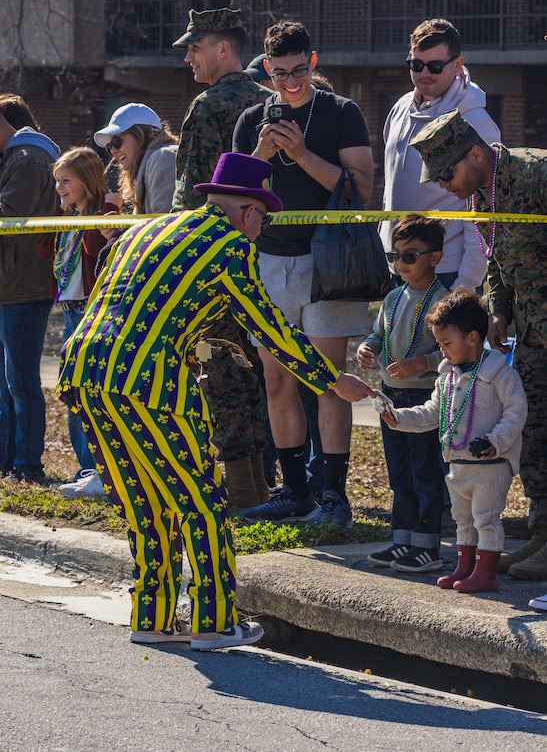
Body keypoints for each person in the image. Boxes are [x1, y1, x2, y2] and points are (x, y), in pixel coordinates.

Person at [55, 151, 375, 648]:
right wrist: (331, 378)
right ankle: (213, 621)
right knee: (200, 501)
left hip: (84, 370)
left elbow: (158, 301)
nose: (260, 230)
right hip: (149, 381)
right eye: (261, 220)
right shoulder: (228, 248)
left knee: (147, 500)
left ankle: (153, 618)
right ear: (249, 213)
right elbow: (268, 324)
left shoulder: (152, 228)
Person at [233, 20, 374, 527]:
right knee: (276, 381)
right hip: (269, 259)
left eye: (298, 72)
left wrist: (301, 155)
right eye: (280, 74)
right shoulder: (252, 119)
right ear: (268, 70)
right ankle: (294, 490)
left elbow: (361, 191)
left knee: (329, 381)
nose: (290, 84)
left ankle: (333, 495)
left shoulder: (341, 113)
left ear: (313, 63)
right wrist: (261, 157)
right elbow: (235, 200)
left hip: (329, 260)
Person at [409, 107, 547, 582]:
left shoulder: (536, 173)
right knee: (535, 437)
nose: (444, 184)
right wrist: (500, 309)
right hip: (531, 333)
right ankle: (542, 534)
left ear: (475, 152)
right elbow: (499, 264)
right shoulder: (480, 197)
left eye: (448, 172)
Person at [171, 8, 273, 509]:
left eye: (194, 47)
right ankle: (260, 483)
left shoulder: (208, 105)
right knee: (257, 366)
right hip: (264, 250)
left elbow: (188, 194)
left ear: (223, 50)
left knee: (220, 368)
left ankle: (242, 489)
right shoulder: (272, 101)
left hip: (209, 254)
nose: (188, 56)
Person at [381, 289, 527, 593]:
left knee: (485, 518)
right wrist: (400, 418)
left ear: (473, 338)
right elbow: (433, 411)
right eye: (439, 343)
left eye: (447, 343)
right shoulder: (446, 376)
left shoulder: (499, 373)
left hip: (490, 463)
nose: (442, 350)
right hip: (457, 463)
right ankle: (465, 566)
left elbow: (516, 411)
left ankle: (486, 573)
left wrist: (496, 441)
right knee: (463, 519)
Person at [381, 18, 501, 291]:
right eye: (416, 65)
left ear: (457, 64)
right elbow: (390, 187)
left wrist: (466, 284)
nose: (424, 73)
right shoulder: (400, 107)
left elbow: (484, 211)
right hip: (397, 265)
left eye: (435, 66)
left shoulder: (474, 122)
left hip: (445, 272)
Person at [359, 215, 448, 572]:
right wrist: (367, 348)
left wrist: (421, 363)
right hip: (390, 395)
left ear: (436, 258)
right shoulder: (393, 297)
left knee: (424, 471)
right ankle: (402, 541)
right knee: (399, 473)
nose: (400, 264)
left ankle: (428, 546)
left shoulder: (443, 300)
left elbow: (452, 350)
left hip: (425, 399)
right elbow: (377, 336)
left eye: (410, 256)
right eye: (394, 256)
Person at [37, 147, 120, 499]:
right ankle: (86, 467)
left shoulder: (104, 213)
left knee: (92, 390)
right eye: (57, 181)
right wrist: (62, 210)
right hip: (69, 309)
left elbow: (91, 248)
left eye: (66, 181)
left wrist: (108, 210)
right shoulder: (66, 216)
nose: (59, 187)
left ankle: (103, 468)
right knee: (72, 390)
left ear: (87, 180)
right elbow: (43, 248)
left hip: (91, 309)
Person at [0, 106, 60, 484]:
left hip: (23, 287)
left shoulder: (28, 156)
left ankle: (28, 466)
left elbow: (6, 216)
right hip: (10, 286)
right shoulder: (15, 155)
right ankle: (8, 463)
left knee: (21, 383)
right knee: (7, 385)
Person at [94, 102, 177, 215]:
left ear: (141, 134)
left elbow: (164, 223)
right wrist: (117, 232)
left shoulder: (163, 157)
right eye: (109, 147)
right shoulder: (150, 162)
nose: (113, 151)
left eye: (117, 141)